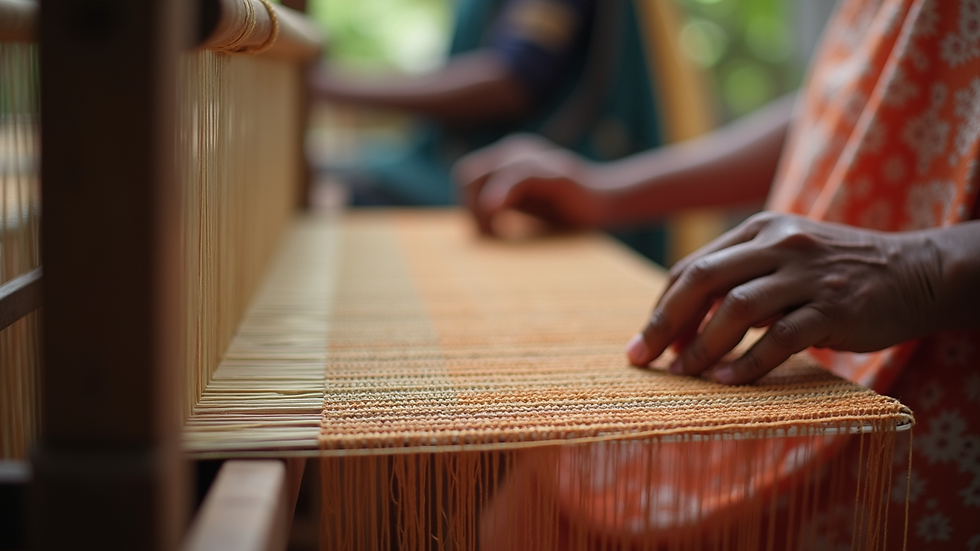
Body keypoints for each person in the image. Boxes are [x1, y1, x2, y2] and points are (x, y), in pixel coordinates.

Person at [456, 0, 980, 547]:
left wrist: (927, 270)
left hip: (919, 413)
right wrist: (606, 191)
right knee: (541, 498)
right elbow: (860, 96)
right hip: (798, 349)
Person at [313, 0, 708, 263]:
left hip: (528, 186)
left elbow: (513, 78)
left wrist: (327, 85)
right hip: (490, 174)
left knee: (335, 188)